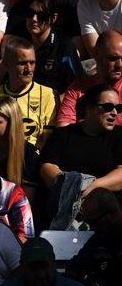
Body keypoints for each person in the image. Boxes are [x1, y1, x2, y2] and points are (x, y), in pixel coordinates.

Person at [40, 83, 122, 227]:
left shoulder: (119, 136)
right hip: (64, 210)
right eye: (108, 107)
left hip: (105, 219)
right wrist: (69, 187)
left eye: (118, 108)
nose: (114, 112)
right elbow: (47, 167)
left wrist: (90, 187)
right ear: (89, 108)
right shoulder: (63, 135)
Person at [0, 37, 58, 149]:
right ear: (6, 65)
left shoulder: (48, 95)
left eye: (32, 63)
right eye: (22, 63)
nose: (29, 69)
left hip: (33, 161)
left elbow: (49, 141)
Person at [68, 188, 122, 286]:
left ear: (111, 215)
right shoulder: (99, 239)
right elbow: (74, 269)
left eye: (93, 222)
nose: (92, 228)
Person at [9, 0, 81, 92]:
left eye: (41, 15)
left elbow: (75, 88)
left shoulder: (64, 47)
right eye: (30, 13)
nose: (34, 19)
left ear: (53, 18)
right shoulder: (19, 43)